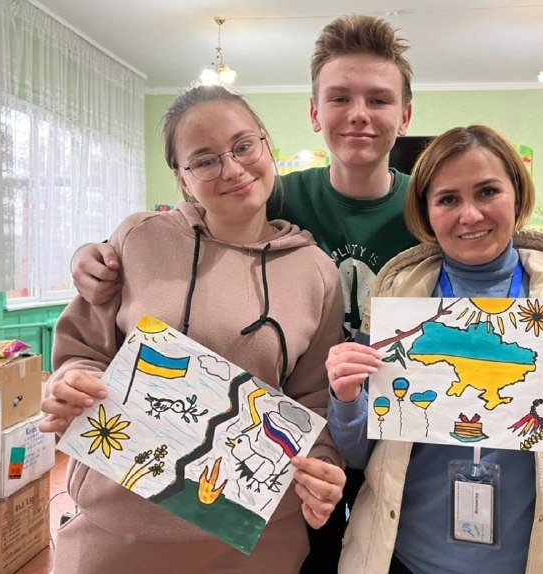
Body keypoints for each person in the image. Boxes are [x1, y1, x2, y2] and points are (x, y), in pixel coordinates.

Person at [65, 16, 543, 571]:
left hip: (402, 449)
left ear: (405, 114)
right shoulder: (273, 194)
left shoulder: (433, 203)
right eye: (340, 97)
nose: (359, 114)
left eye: (379, 99)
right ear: (314, 112)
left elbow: (515, 260)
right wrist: (98, 254)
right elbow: (200, 212)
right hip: (300, 447)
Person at [39, 85, 346, 574]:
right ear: (182, 178)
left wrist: (323, 464)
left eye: (243, 146)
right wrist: (71, 382)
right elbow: (84, 349)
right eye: (204, 160)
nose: (232, 169)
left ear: (267, 145)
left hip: (255, 538)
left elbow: (315, 400)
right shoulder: (139, 238)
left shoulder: (318, 273)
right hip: (118, 528)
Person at [325, 125, 543, 574]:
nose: (470, 215)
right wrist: (345, 398)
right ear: (426, 212)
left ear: (517, 196)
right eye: (447, 199)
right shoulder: (396, 303)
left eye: (487, 192)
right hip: (403, 560)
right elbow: (360, 455)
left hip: (537, 563)